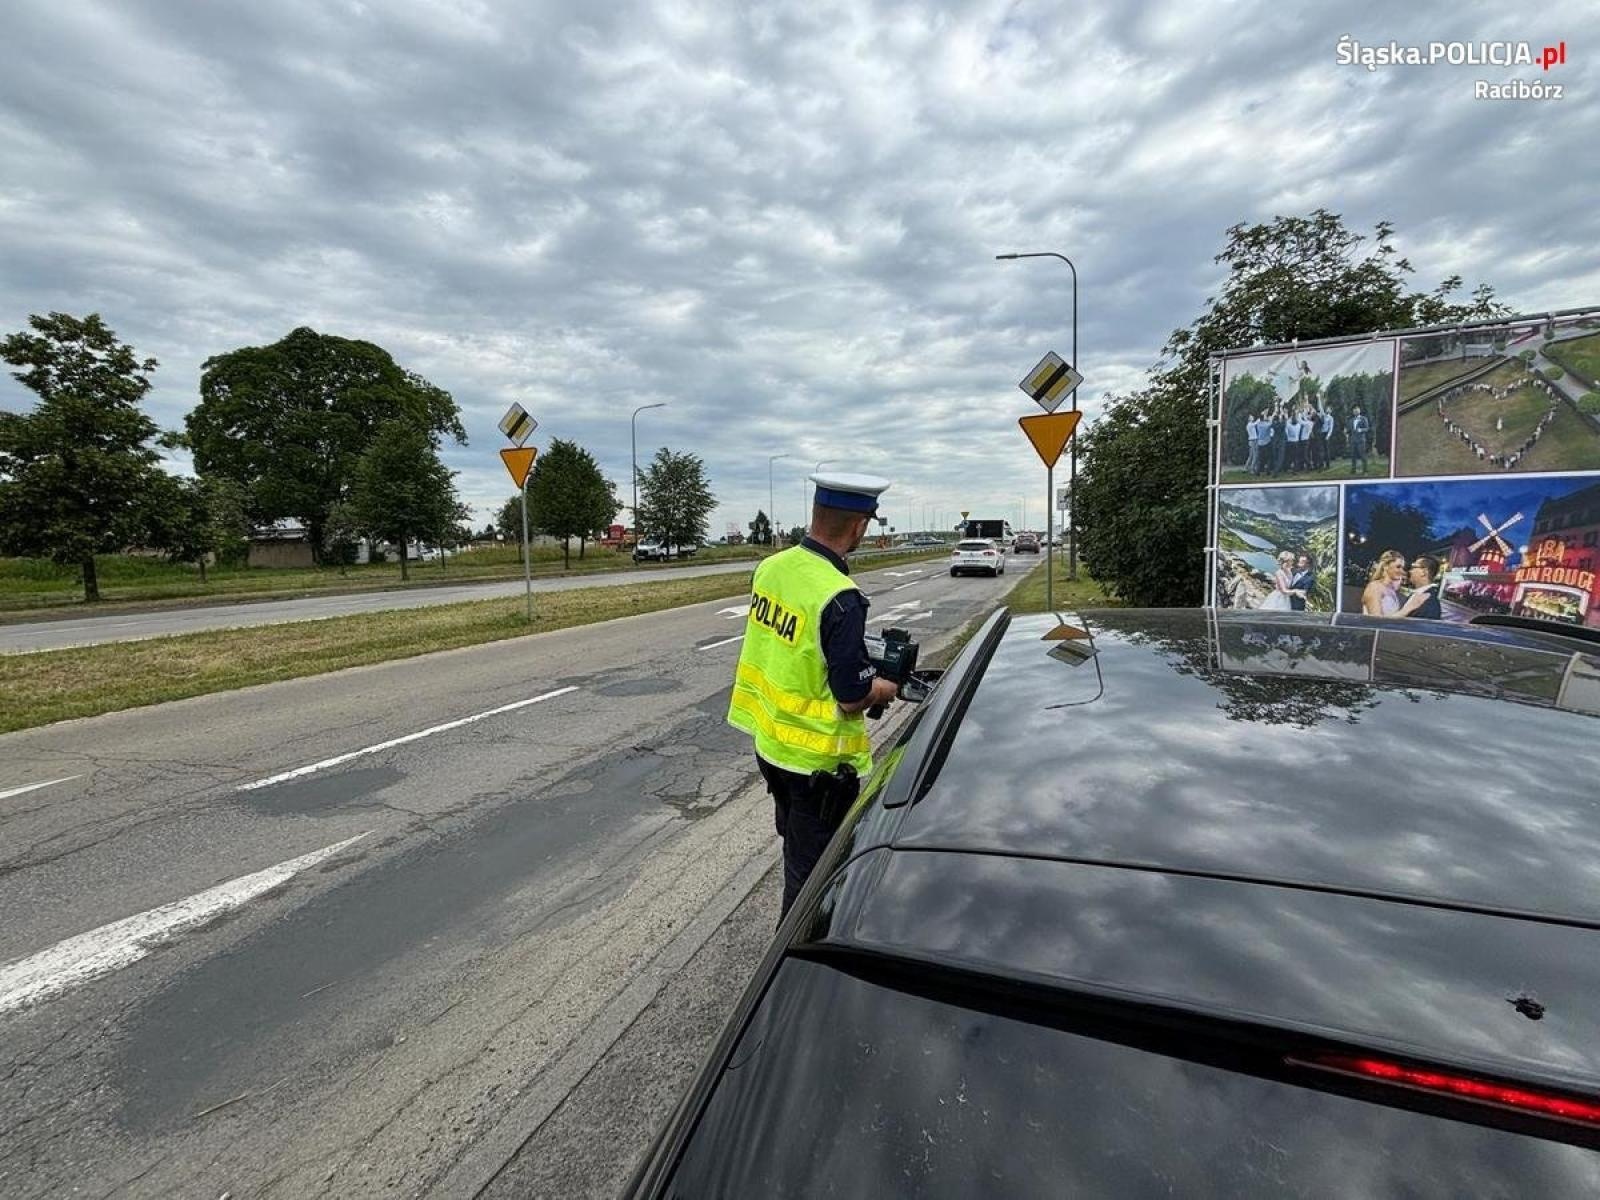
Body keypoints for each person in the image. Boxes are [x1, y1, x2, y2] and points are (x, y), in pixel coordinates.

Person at [726, 471, 899, 919]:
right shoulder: (841, 597)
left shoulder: (771, 568)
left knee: (797, 850)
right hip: (816, 766)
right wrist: (885, 686)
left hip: (771, 747)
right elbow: (852, 696)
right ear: (859, 526)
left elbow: (795, 649)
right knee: (810, 882)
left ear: (816, 513)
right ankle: (789, 959)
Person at [1361, 550, 1406, 616]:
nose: (1402, 571)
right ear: (1386, 566)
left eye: (1402, 568)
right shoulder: (1374, 587)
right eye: (1398, 567)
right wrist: (1406, 609)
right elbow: (1376, 619)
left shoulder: (1392, 591)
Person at [1348, 406, 1370, 475]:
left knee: (1363, 455)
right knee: (1353, 456)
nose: (1355, 411)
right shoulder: (1351, 420)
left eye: (1357, 410)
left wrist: (1361, 430)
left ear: (1359, 411)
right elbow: (1350, 430)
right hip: (1353, 440)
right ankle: (1353, 470)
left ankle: (1365, 471)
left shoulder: (1364, 418)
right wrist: (1346, 431)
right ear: (1353, 412)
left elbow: (1367, 428)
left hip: (1361, 440)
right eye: (1354, 411)